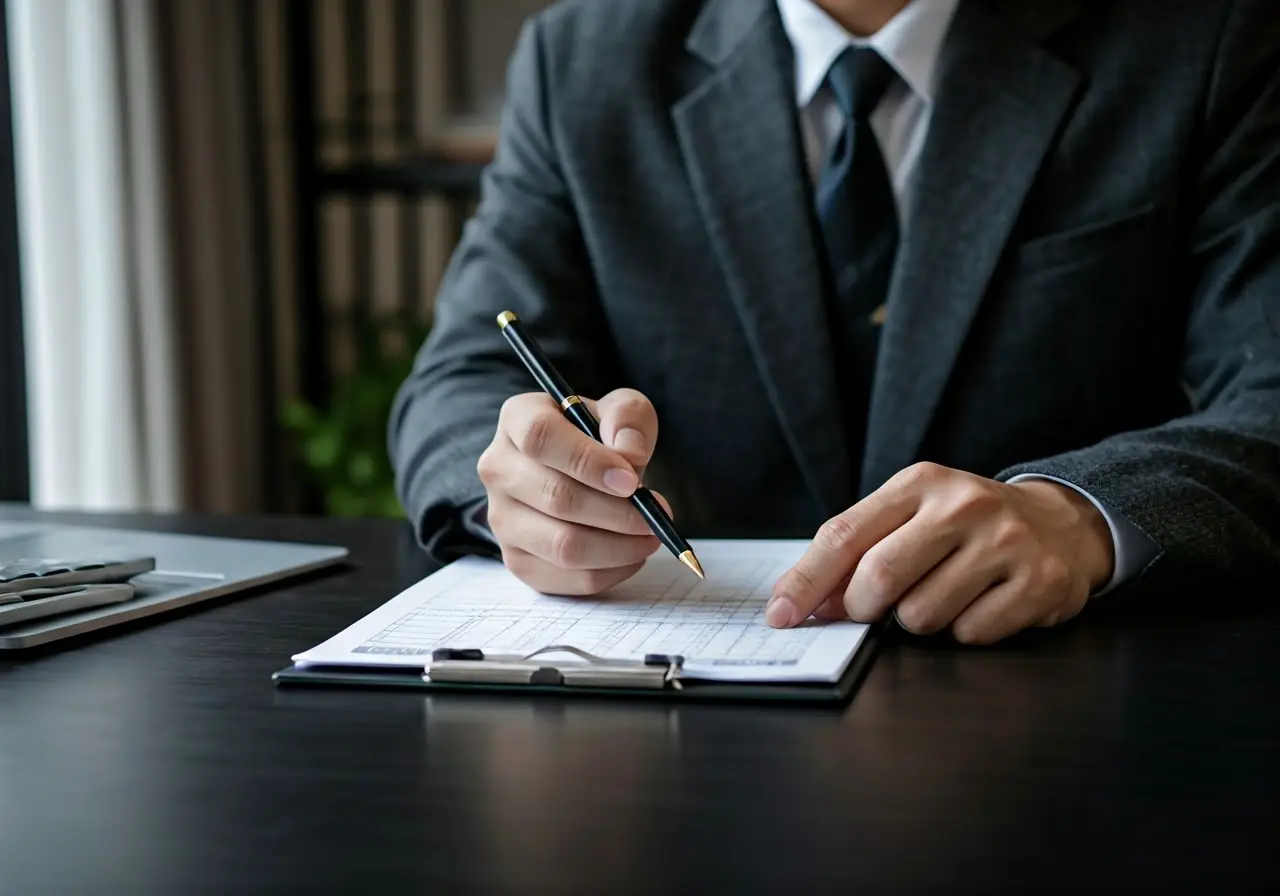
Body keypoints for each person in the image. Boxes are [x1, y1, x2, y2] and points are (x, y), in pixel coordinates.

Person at [388, 0, 1280, 645]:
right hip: (691, 711)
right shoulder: (584, 61)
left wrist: (1083, 515)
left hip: (1072, 704)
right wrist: (526, 483)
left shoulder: (1202, 39)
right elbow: (465, 373)